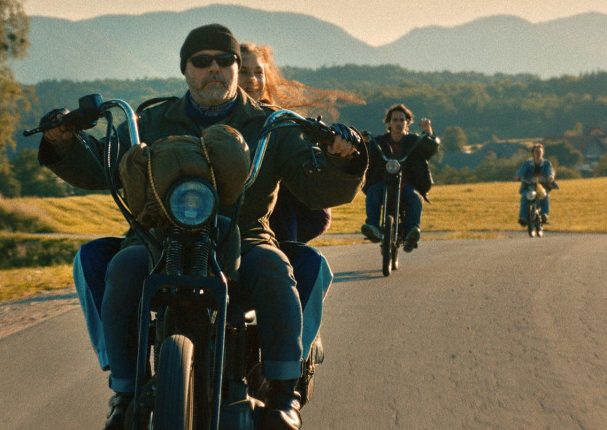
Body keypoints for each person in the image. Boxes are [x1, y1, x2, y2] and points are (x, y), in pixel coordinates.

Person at [37, 24, 367, 430]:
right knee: (123, 266)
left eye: (225, 60)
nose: (215, 68)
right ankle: (125, 392)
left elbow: (315, 187)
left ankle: (283, 395)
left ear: (235, 68)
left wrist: (342, 160)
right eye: (202, 61)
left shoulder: (272, 125)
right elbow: (100, 166)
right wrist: (64, 142)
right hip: (159, 238)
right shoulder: (150, 120)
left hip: (244, 238)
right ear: (186, 70)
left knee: (274, 268)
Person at [240, 42, 363, 243]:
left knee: (288, 255)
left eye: (258, 72)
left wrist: (338, 157)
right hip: (211, 220)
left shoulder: (280, 123)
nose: (252, 79)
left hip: (275, 219)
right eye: (243, 72)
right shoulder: (209, 117)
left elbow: (312, 173)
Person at [360, 104, 439, 252]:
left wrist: (428, 130)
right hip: (383, 184)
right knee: (373, 192)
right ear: (389, 123)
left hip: (407, 185)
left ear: (407, 123)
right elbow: (367, 155)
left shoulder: (414, 141)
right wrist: (364, 141)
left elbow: (431, 147)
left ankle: (411, 232)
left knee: (415, 197)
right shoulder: (379, 141)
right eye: (395, 120)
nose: (398, 123)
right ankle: (373, 227)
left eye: (402, 120)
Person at [514, 143, 559, 226]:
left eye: (540, 151)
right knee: (524, 196)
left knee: (544, 196)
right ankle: (522, 218)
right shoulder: (527, 163)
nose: (538, 153)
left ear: (543, 153)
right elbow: (521, 170)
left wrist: (550, 176)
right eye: (536, 151)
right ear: (532, 153)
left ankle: (544, 215)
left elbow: (550, 170)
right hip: (529, 185)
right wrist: (517, 176)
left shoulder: (546, 163)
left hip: (542, 186)